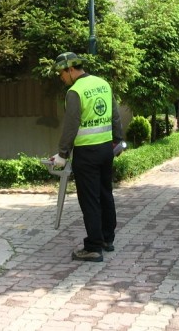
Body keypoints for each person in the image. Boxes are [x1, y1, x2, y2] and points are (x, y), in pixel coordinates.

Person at [51, 51, 124, 262]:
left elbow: (71, 125)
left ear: (70, 69)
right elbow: (115, 115)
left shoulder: (75, 91)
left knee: (90, 200)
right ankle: (107, 239)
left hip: (86, 154)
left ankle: (93, 247)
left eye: (62, 73)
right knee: (105, 194)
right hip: (106, 150)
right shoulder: (103, 84)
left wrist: (63, 154)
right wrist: (118, 140)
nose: (61, 78)